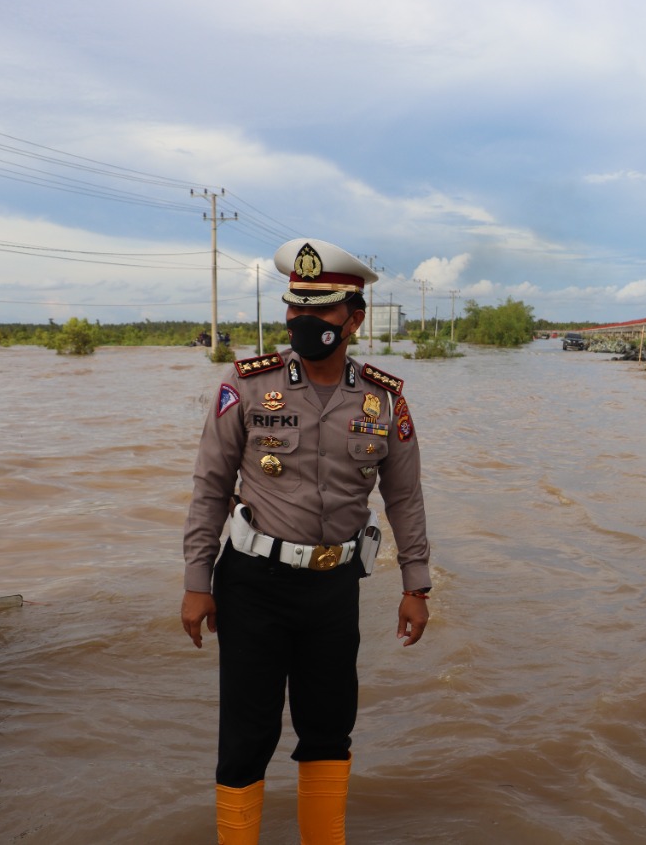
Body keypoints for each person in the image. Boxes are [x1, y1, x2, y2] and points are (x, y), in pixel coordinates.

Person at [180, 238, 433, 844]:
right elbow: (209, 489)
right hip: (252, 585)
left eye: (320, 311)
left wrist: (416, 585)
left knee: (328, 730)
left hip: (334, 588)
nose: (303, 321)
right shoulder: (244, 386)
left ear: (354, 317)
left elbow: (404, 498)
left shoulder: (383, 398)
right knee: (247, 735)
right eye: (296, 308)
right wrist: (196, 583)